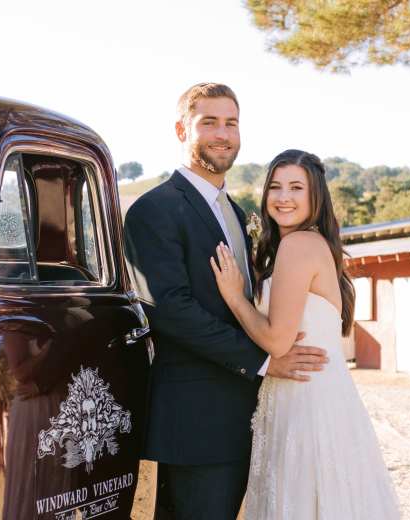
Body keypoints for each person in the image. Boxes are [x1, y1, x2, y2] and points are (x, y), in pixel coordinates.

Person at [123, 83, 328, 520]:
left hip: (248, 417)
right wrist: (266, 362)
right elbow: (170, 309)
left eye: (231, 123)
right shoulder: (154, 210)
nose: (223, 134)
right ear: (182, 129)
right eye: (209, 122)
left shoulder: (237, 213)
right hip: (197, 423)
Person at [211, 149, 401, 519]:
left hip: (305, 400)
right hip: (307, 394)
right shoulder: (301, 246)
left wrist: (236, 299)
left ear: (316, 196)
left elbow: (278, 341)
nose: (283, 197)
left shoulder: (299, 245)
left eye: (296, 187)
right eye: (276, 187)